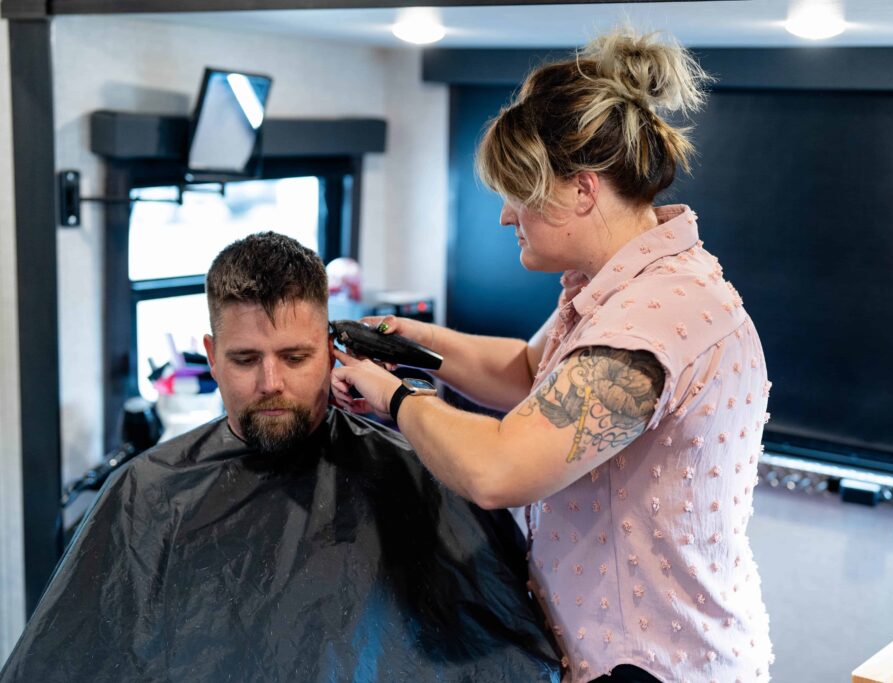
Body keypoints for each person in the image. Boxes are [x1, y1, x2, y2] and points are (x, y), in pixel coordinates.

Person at [331, 29, 774, 683]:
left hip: (655, 667)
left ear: (582, 190)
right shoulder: (622, 288)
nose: (509, 217)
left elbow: (498, 468)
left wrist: (391, 394)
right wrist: (410, 345)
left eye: (520, 193)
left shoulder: (652, 325)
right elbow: (535, 376)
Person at [0, 233, 559, 682]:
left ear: (334, 351)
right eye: (246, 360)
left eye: (295, 357)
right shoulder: (147, 493)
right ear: (212, 358)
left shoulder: (417, 474)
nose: (271, 383)